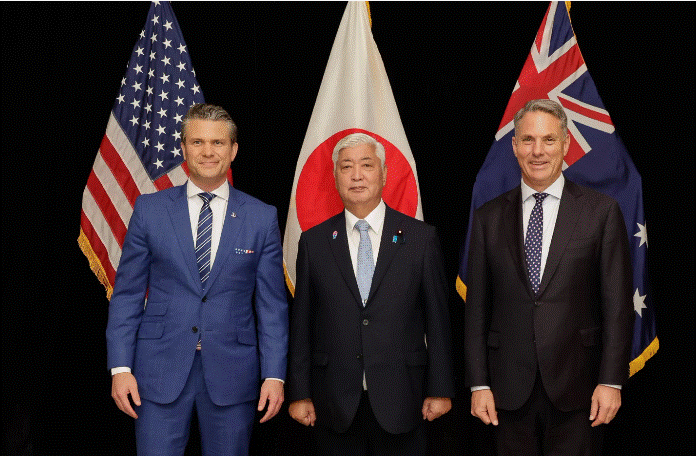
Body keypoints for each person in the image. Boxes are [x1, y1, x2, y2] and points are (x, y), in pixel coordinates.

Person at [106, 103, 288, 456]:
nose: (208, 151)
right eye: (198, 142)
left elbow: (272, 308)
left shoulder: (261, 217)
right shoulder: (149, 210)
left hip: (233, 374)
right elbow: (127, 295)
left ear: (233, 150)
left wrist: (274, 375)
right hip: (157, 370)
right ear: (183, 148)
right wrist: (120, 367)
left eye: (218, 143)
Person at [464, 99, 634, 456]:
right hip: (507, 390)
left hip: (580, 388)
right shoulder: (487, 218)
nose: (537, 151)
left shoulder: (601, 212)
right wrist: (478, 384)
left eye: (548, 140)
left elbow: (617, 307)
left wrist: (611, 381)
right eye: (528, 140)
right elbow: (476, 310)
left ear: (566, 143)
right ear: (514, 146)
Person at [288, 133, 454, 456]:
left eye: (366, 165)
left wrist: (441, 388)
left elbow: (437, 319)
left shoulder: (421, 239)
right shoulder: (313, 242)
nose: (357, 175)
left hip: (403, 398)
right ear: (335, 176)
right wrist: (300, 392)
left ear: (384, 173)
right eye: (346, 167)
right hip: (333, 401)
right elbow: (302, 324)